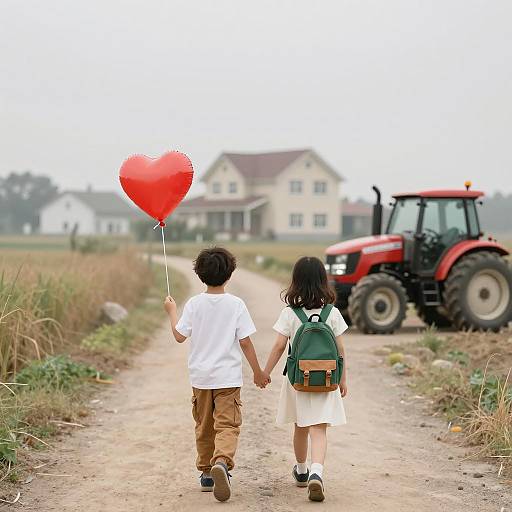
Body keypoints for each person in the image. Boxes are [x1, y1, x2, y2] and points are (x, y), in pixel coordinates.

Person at [164, 247, 269, 503]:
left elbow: (179, 336)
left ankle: (207, 474)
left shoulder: (194, 304)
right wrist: (258, 372)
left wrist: (171, 311)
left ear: (199, 274)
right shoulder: (236, 305)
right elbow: (245, 342)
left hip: (200, 379)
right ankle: (221, 461)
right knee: (228, 425)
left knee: (204, 426)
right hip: (228, 379)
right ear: (230, 274)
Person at [263, 256, 348, 502]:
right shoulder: (332, 313)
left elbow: (279, 346)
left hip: (299, 380)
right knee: (319, 428)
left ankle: (302, 471)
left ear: (296, 282)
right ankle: (317, 473)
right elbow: (341, 350)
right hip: (327, 378)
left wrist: (265, 372)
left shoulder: (290, 314)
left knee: (300, 427)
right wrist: (342, 379)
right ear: (323, 281)